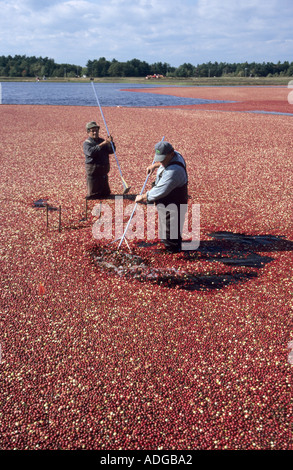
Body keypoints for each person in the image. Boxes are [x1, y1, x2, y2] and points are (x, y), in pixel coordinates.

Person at [135, 141, 188, 253]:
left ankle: (173, 250)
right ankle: (171, 244)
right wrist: (155, 165)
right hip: (168, 199)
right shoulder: (176, 156)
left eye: (163, 158)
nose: (161, 161)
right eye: (159, 158)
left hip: (174, 201)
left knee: (171, 226)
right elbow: (165, 164)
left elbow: (161, 190)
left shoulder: (174, 171)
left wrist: (143, 197)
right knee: (166, 224)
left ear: (171, 154)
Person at [83, 121, 115, 199]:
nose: (95, 132)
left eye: (96, 130)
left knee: (105, 193)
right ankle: (93, 195)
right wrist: (104, 143)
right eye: (93, 131)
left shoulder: (102, 140)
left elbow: (111, 151)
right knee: (93, 195)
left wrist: (111, 143)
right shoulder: (87, 143)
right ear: (88, 132)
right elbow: (91, 152)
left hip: (103, 170)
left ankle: (104, 193)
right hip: (93, 170)